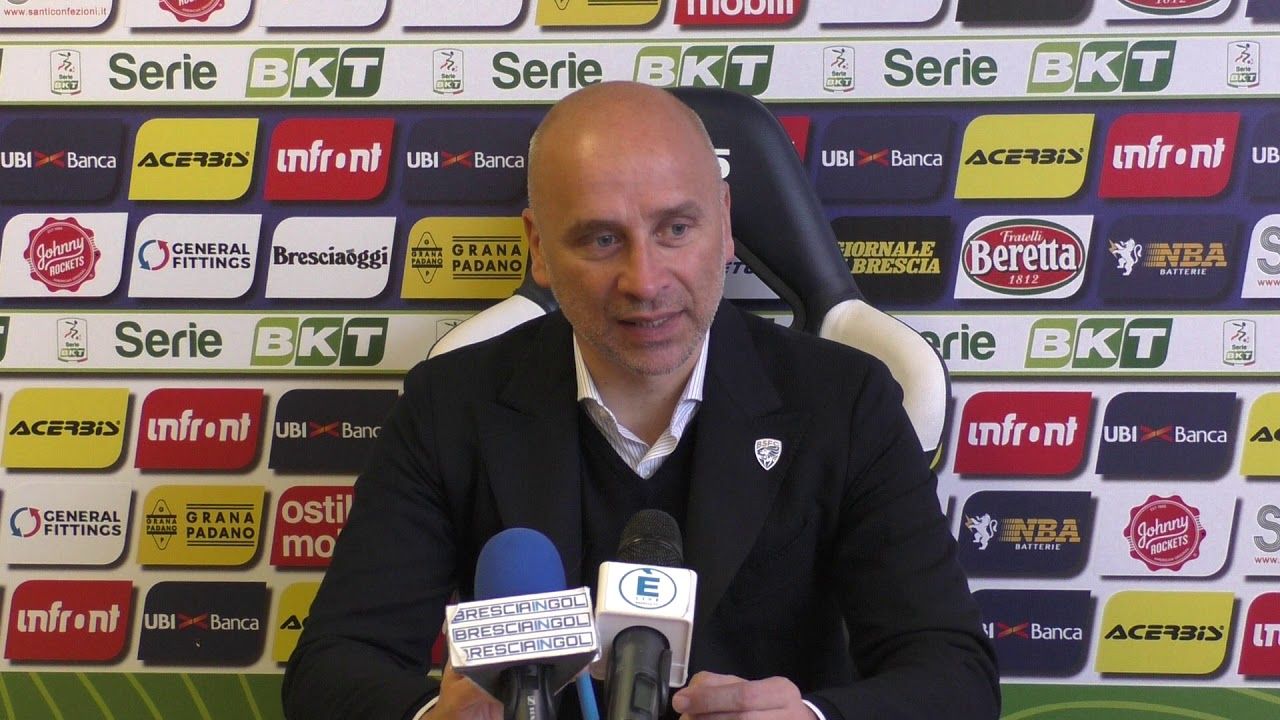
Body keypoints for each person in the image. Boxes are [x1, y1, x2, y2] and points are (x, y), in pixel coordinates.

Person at [283, 81, 999, 720]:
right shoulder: (450, 404)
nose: (645, 281)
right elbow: (332, 668)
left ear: (724, 223)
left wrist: (811, 717)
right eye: (602, 239)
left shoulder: (847, 400)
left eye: (675, 229)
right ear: (539, 248)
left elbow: (955, 676)